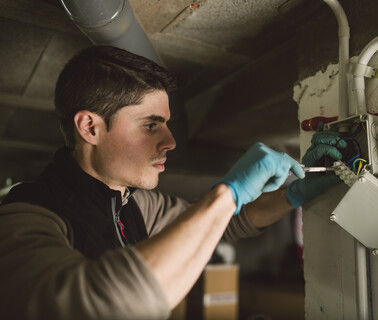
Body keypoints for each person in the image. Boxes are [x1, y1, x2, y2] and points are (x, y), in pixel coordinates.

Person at [0, 46, 346, 320]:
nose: (170, 142)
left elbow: (222, 223)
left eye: (166, 124)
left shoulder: (134, 203)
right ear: (90, 127)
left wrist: (294, 192)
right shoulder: (25, 217)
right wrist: (228, 193)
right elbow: (98, 307)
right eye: (151, 125)